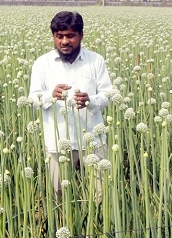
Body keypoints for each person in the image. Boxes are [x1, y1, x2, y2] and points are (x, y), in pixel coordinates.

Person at [28, 11, 112, 198]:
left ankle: (97, 227)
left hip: (93, 141)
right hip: (57, 144)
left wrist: (91, 100)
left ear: (81, 35)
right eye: (59, 36)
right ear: (54, 37)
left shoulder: (96, 60)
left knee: (101, 195)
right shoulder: (42, 64)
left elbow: (108, 94)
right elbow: (32, 98)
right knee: (59, 195)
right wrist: (50, 96)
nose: (65, 41)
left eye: (70, 36)